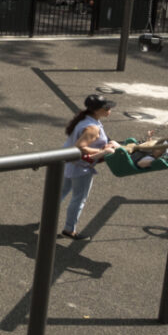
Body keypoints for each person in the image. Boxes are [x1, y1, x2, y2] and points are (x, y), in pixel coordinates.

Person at [60, 94, 115, 238]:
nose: (110, 109)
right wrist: (103, 151)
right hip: (80, 167)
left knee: (61, 193)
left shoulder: (86, 119)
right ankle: (69, 229)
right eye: (107, 107)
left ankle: (48, 218)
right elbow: (81, 147)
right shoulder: (92, 128)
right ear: (97, 110)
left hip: (68, 162)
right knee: (79, 198)